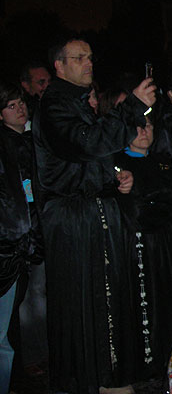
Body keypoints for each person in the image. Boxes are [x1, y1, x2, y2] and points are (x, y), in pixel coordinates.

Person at [32, 37, 156, 393]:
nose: (88, 63)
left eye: (90, 57)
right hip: (75, 220)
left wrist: (113, 176)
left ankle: (108, 374)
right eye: (79, 57)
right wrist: (131, 107)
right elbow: (84, 142)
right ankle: (97, 378)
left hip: (92, 211)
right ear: (59, 65)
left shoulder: (72, 103)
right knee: (89, 300)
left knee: (108, 297)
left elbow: (87, 154)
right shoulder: (55, 104)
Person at [114, 117, 172, 385]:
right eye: (138, 127)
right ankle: (144, 368)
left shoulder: (162, 161)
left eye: (149, 126)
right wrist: (156, 206)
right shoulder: (119, 164)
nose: (144, 132)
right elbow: (135, 210)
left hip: (164, 245)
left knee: (165, 301)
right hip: (137, 246)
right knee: (144, 304)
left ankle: (165, 361)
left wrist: (158, 206)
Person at [0, 82, 43, 394]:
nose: (20, 109)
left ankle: (29, 366)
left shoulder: (29, 140)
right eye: (11, 105)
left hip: (30, 238)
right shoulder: (6, 145)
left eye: (20, 103)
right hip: (13, 243)